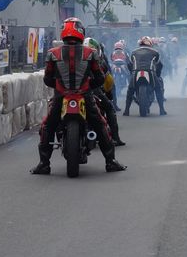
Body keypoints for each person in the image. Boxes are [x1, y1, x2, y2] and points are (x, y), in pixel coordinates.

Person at [31, 18, 126, 175]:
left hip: (61, 96)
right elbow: (100, 77)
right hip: (85, 95)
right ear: (81, 32)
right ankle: (110, 162)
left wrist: (60, 87)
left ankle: (44, 164)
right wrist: (88, 87)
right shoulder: (91, 53)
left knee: (48, 125)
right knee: (100, 124)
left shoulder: (52, 54)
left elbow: (48, 79)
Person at [84, 38, 126, 147]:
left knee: (53, 115)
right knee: (110, 108)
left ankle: (47, 150)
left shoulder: (73, 59)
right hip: (93, 92)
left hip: (72, 92)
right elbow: (107, 79)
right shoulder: (99, 61)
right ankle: (116, 138)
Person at [126, 36, 167, 116]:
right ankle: (162, 109)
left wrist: (132, 73)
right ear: (150, 44)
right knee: (158, 89)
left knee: (130, 90)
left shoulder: (134, 52)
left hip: (136, 72)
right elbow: (159, 64)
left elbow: (129, 64)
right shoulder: (155, 52)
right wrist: (158, 74)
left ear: (140, 43)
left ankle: (126, 110)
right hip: (150, 72)